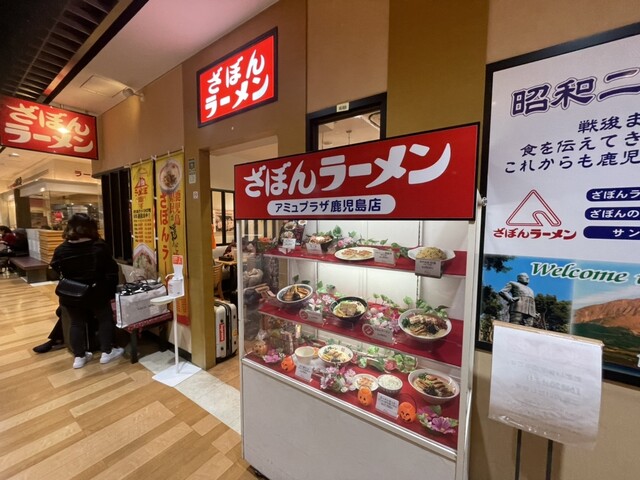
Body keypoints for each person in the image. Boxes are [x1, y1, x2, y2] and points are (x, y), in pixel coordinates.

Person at [51, 213, 123, 368]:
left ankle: (79, 357)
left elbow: (55, 268)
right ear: (91, 228)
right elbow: (111, 270)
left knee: (76, 323)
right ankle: (107, 353)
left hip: (71, 293)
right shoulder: (99, 247)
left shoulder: (61, 249)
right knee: (104, 319)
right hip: (96, 292)